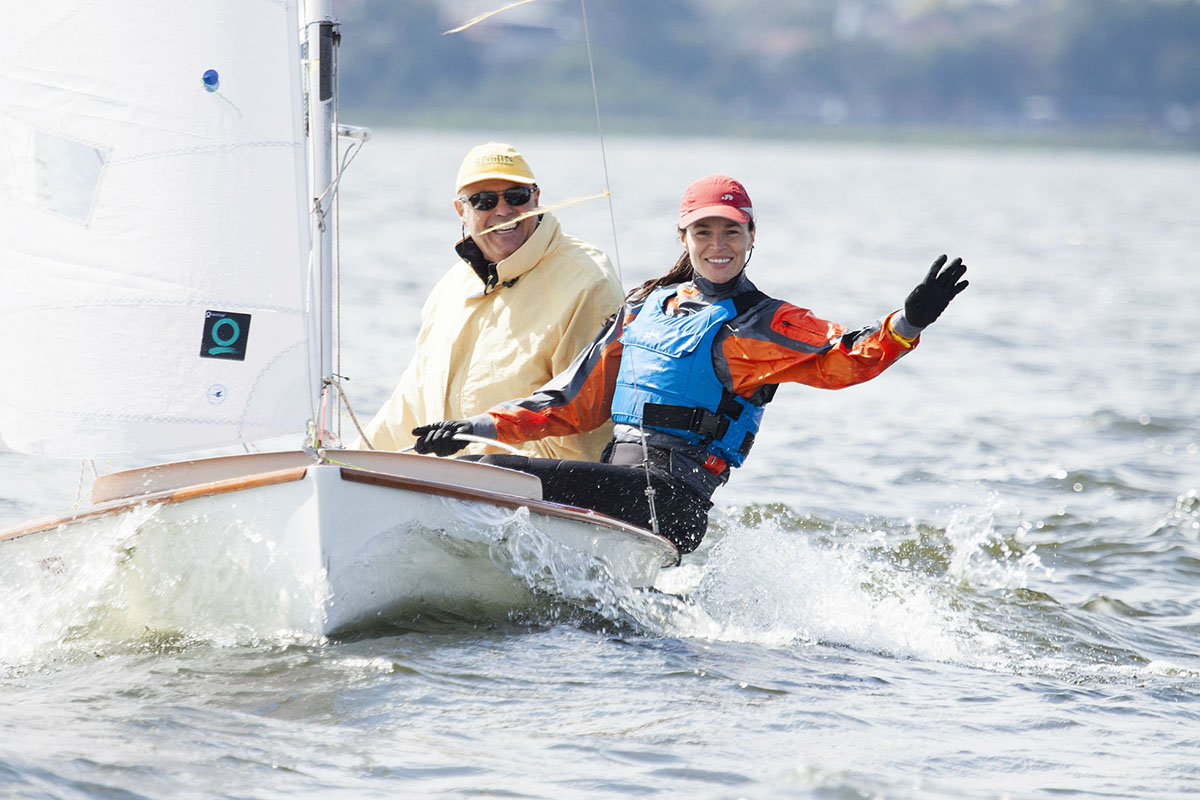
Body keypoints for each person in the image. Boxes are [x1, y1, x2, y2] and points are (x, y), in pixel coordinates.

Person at [411, 174, 968, 553]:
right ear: (685, 236)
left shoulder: (762, 323)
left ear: (751, 238)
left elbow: (846, 361)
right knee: (477, 463)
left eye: (731, 230)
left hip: (672, 500)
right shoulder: (642, 308)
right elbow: (570, 404)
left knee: (491, 477)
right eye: (704, 231)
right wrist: (471, 428)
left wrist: (909, 322)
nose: (717, 243)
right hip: (616, 483)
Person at [358, 142, 624, 460]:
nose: (502, 211)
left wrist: (480, 450)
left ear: (536, 198)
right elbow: (408, 406)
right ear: (461, 210)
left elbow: (585, 410)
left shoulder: (588, 279)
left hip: (544, 491)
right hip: (452, 486)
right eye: (483, 201)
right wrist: (346, 460)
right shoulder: (450, 288)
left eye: (516, 197)